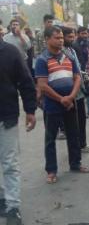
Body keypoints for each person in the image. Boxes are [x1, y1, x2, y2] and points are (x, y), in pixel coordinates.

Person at [35, 26, 89, 184]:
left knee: (74, 134)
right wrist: (61, 99)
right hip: (53, 105)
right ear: (47, 39)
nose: (60, 40)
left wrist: (71, 96)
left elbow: (77, 77)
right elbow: (43, 85)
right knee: (50, 138)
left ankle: (75, 163)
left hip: (69, 102)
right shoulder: (42, 59)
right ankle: (51, 170)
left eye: (61, 38)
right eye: (56, 38)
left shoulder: (68, 56)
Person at [0, 34, 37, 225]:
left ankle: (13, 207)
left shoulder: (10, 52)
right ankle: (2, 197)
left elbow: (25, 82)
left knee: (9, 163)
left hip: (5, 118)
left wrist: (30, 110)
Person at [62, 26, 89, 154]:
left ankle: (82, 144)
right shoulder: (61, 52)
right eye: (68, 37)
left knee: (81, 119)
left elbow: (76, 67)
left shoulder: (71, 49)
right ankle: (76, 149)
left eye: (72, 36)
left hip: (79, 90)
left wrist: (85, 75)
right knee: (72, 123)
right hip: (70, 92)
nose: (71, 39)